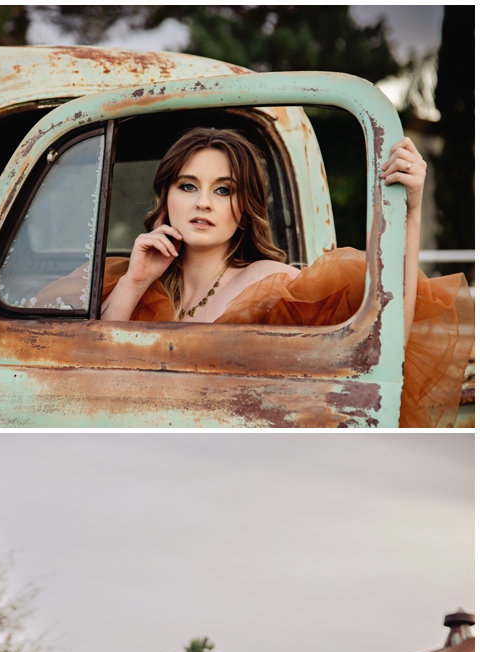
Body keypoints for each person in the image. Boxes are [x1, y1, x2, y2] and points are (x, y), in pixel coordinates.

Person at [96, 127, 472, 428]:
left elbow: (384, 348)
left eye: (224, 190)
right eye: (188, 186)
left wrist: (411, 212)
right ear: (166, 197)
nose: (203, 203)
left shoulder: (274, 285)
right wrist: (135, 281)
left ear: (245, 209)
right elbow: (90, 373)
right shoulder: (132, 282)